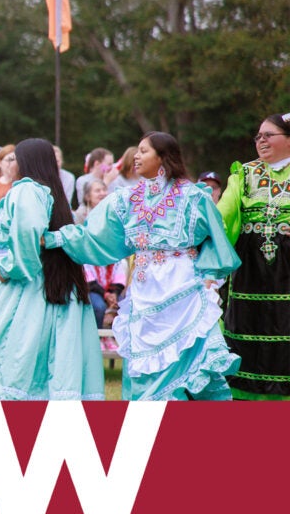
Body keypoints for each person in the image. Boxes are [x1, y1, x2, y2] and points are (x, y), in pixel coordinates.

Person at [47, 132, 240, 400]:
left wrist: (207, 275)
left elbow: (216, 241)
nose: (136, 156)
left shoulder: (193, 198)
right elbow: (93, 235)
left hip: (181, 288)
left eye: (143, 151)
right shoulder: (125, 200)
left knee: (183, 362)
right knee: (142, 362)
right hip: (144, 288)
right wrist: (57, 237)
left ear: (163, 157)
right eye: (137, 151)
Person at [0, 138, 104, 401]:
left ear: (27, 162)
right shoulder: (51, 193)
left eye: (16, 157)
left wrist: (11, 268)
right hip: (49, 284)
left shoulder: (27, 190)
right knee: (45, 357)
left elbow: (28, 233)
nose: (12, 163)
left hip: (28, 287)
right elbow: (1, 229)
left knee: (15, 358)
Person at [217, 113, 290, 400]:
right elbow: (223, 214)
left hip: (287, 276)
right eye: (258, 136)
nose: (261, 141)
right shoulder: (244, 174)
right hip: (250, 276)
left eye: (268, 135)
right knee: (247, 343)